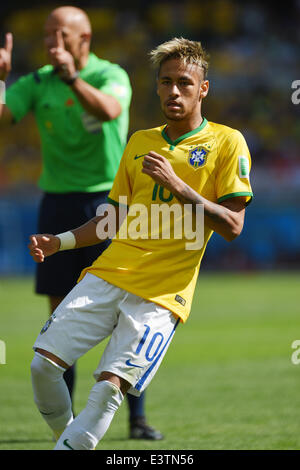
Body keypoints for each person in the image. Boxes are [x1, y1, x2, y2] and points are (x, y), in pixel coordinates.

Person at [28, 37, 253, 450]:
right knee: (42, 366)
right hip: (108, 274)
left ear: (203, 88)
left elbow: (233, 225)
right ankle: (70, 439)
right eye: (166, 82)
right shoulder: (139, 142)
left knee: (109, 387)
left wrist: (179, 186)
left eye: (184, 82)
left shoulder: (227, 142)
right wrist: (59, 242)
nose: (173, 91)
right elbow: (110, 220)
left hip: (161, 295)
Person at [0, 6, 163, 440]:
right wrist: (1, 79)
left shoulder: (111, 74)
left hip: (108, 202)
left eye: (62, 33)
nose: (52, 40)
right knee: (60, 311)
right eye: (48, 32)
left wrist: (73, 77)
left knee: (128, 309)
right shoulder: (36, 81)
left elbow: (110, 110)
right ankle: (66, 424)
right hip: (55, 202)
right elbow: (4, 117)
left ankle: (137, 419)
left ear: (84, 38)